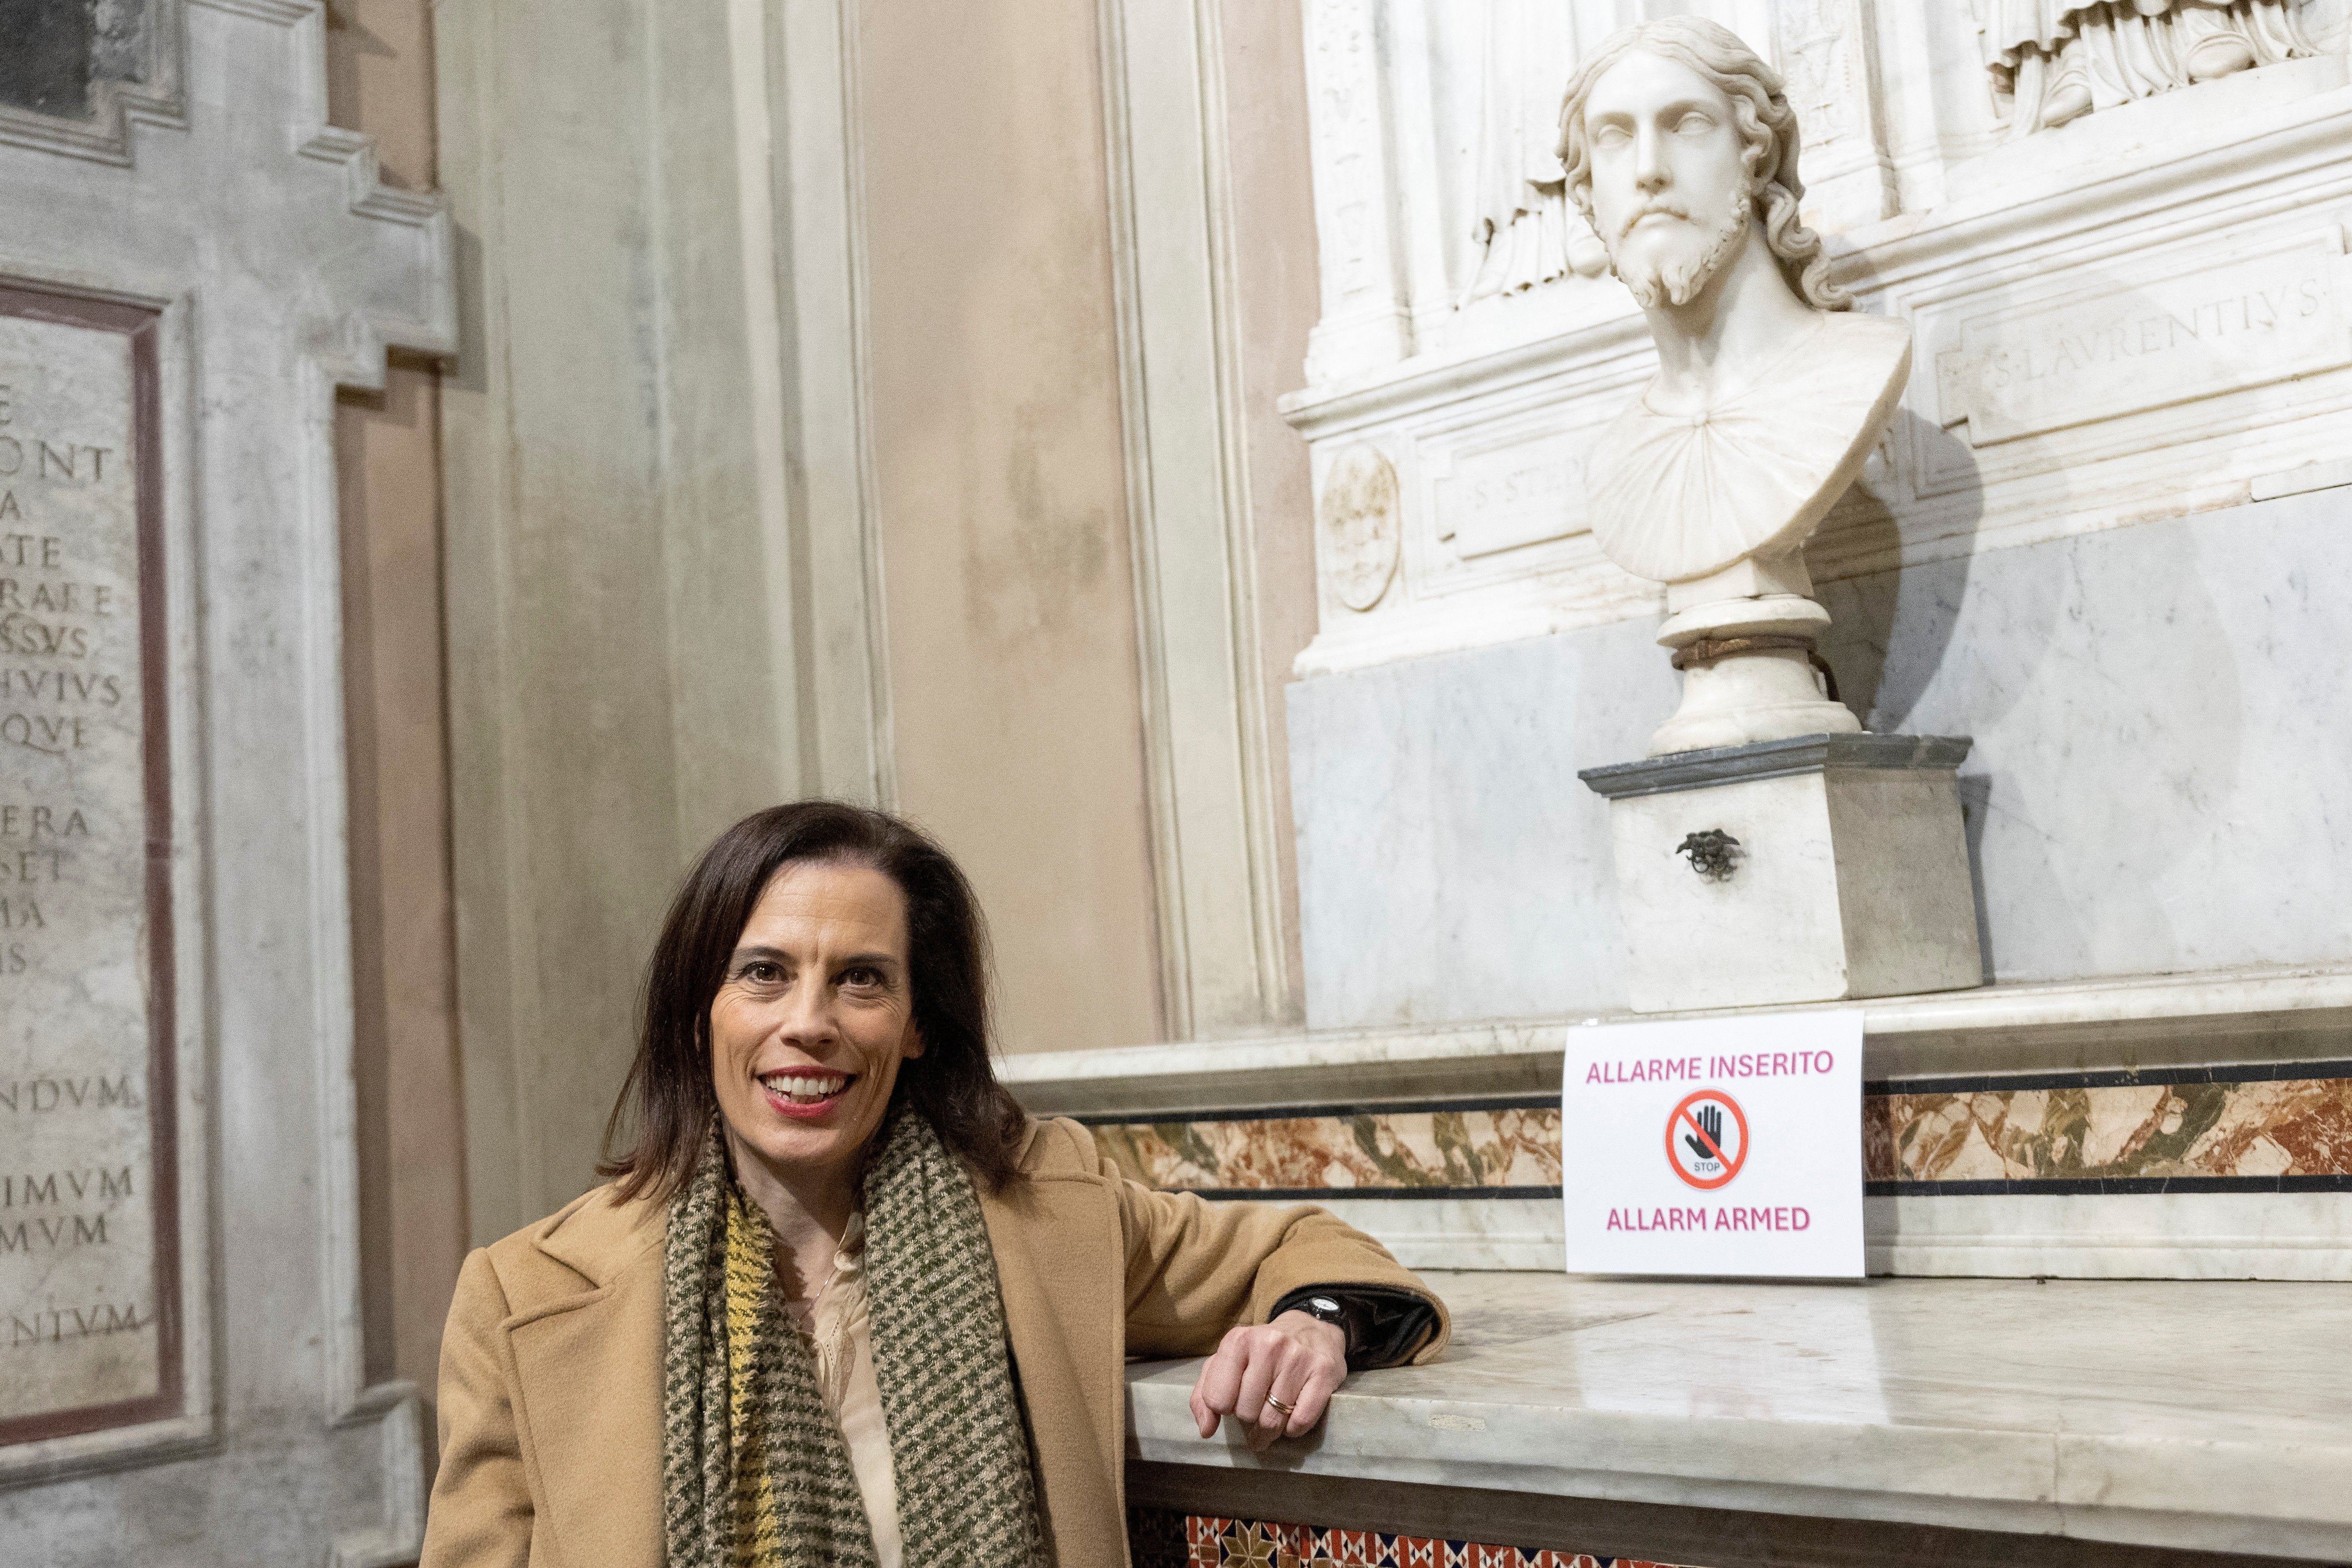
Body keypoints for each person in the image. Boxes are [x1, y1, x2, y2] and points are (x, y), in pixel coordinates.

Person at [419, 801, 1448, 1568]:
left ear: (915, 1022)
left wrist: (1312, 1324)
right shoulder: (526, 1298)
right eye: (765, 972)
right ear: (702, 1012)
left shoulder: (1043, 1210)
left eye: (860, 977)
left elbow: (1304, 1247)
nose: (809, 1021)